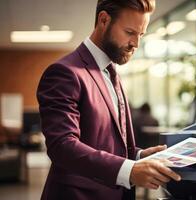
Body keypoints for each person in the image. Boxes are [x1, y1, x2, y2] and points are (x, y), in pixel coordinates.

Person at [36, 0, 181, 199]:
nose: (136, 44)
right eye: (130, 32)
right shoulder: (64, 72)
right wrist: (129, 170)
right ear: (103, 20)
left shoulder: (112, 74)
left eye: (141, 35)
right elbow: (62, 146)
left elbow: (105, 143)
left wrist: (138, 156)